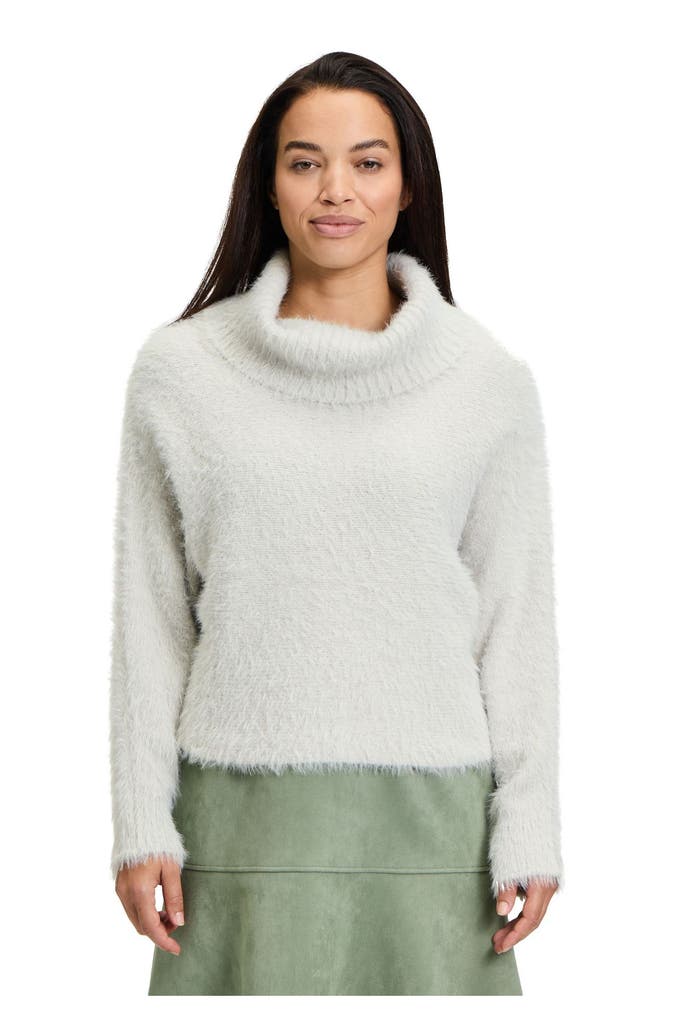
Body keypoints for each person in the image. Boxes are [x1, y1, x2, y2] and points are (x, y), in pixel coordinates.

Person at [108, 50, 564, 996]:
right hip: (237, 825)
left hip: (435, 823)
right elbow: (151, 617)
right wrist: (141, 821)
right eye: (305, 162)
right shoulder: (181, 376)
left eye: (368, 162)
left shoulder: (486, 384)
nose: (336, 191)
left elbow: (515, 618)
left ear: (408, 186)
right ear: (268, 184)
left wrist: (530, 822)